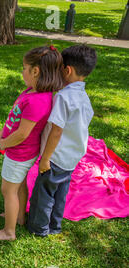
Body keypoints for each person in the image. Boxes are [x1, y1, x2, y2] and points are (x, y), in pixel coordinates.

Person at [0, 45, 64, 241]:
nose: (22, 71)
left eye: (24, 68)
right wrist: (2, 135)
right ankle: (19, 217)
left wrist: (4, 144)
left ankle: (8, 231)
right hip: (20, 151)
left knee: (8, 191)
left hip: (19, 153)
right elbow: (14, 119)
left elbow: (22, 134)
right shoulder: (33, 91)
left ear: (35, 71)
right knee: (19, 184)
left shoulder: (38, 101)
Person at [27, 45, 97, 237]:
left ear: (67, 70)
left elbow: (57, 131)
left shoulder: (64, 98)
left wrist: (45, 158)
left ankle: (38, 228)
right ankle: (55, 226)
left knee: (44, 193)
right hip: (72, 156)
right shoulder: (84, 97)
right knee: (60, 193)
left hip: (56, 157)